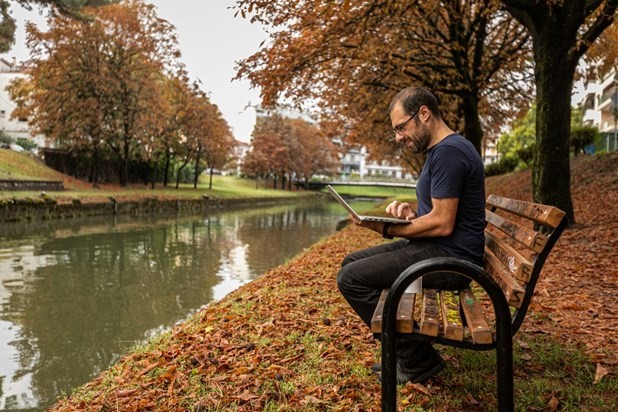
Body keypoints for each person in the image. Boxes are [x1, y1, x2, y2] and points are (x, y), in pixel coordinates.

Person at [337, 86, 486, 384]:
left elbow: (443, 223)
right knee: (350, 263)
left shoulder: (449, 152)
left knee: (351, 279)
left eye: (401, 127)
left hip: (450, 263)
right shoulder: (440, 152)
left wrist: (389, 229)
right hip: (440, 251)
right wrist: (410, 215)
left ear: (424, 114)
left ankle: (417, 359)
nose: (398, 137)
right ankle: (409, 350)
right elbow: (438, 214)